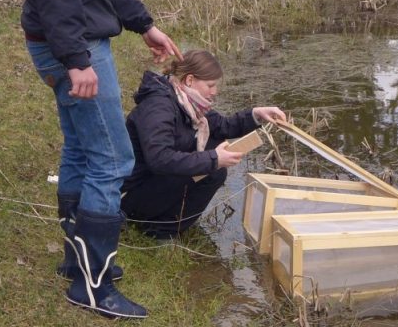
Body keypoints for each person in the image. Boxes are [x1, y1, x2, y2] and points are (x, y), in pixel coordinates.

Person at [17, 0, 181, 320]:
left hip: (72, 38)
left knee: (83, 149)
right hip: (75, 43)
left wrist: (143, 23)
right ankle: (94, 285)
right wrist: (76, 59)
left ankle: (78, 261)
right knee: (112, 159)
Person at [122, 49, 286, 239]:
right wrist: (214, 158)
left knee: (213, 150)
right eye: (210, 85)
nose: (215, 91)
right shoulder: (158, 106)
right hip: (130, 193)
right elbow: (159, 158)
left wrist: (257, 115)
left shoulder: (188, 103)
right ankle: (156, 229)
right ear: (190, 80)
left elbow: (223, 126)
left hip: (153, 183)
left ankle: (166, 222)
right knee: (213, 167)